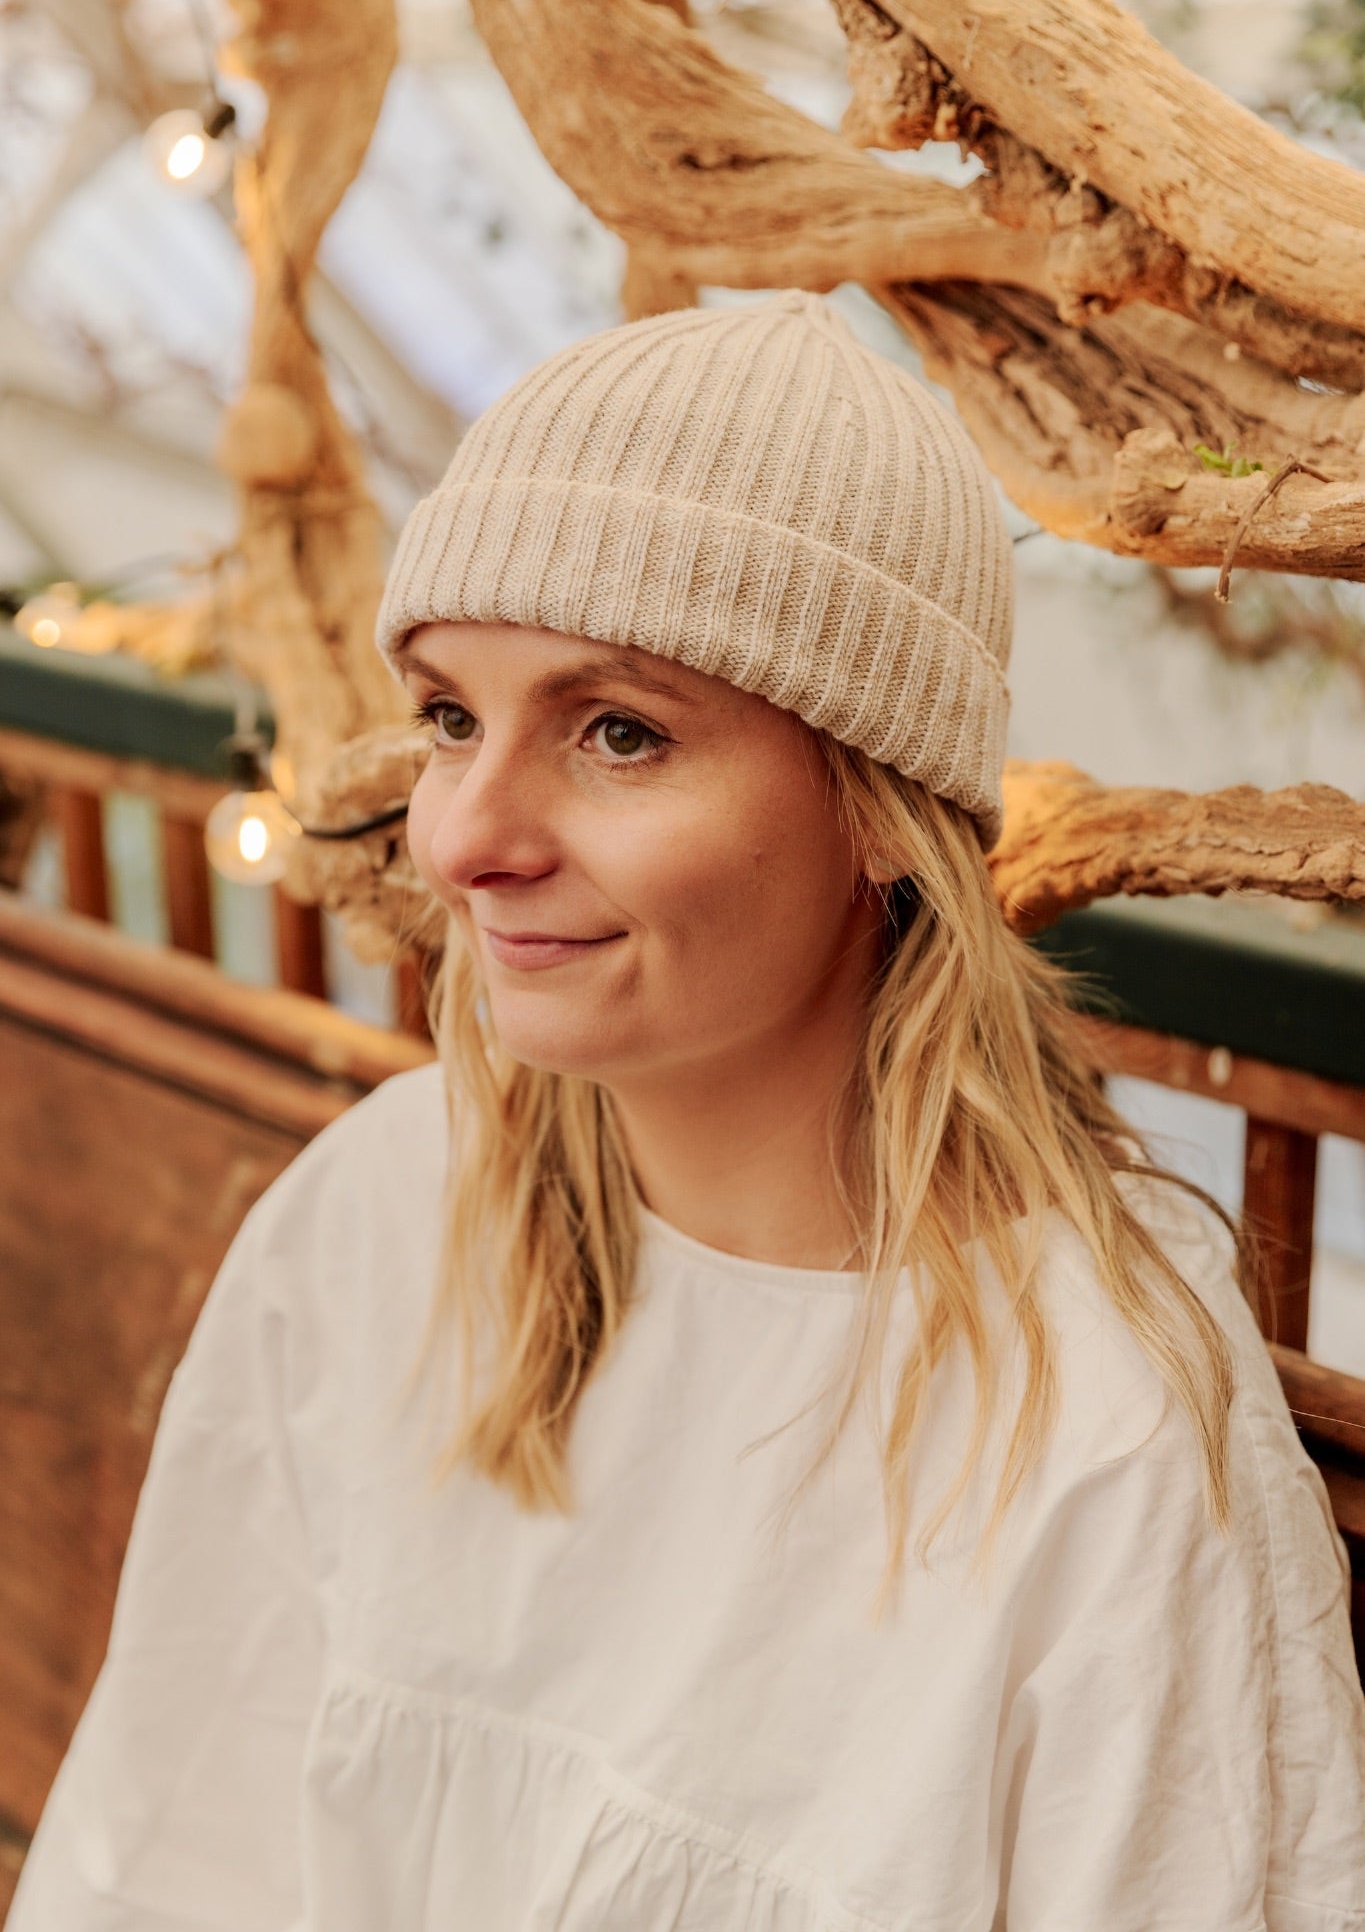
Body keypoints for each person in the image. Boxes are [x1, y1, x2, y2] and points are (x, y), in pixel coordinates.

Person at [12, 291, 1365, 1931]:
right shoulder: (389, 1211)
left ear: (878, 808)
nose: (461, 837)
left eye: (619, 733)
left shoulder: (1091, 1424)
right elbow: (166, 1852)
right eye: (450, 716)